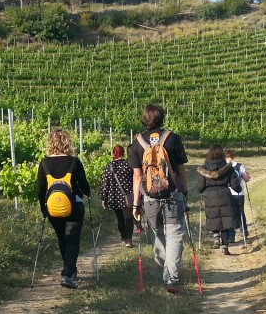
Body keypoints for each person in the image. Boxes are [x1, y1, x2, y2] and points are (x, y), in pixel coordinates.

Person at [128, 103, 189, 293]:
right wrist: (184, 191)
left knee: (157, 234)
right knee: (175, 235)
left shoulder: (136, 143)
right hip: (172, 195)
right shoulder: (173, 139)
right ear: (162, 118)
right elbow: (180, 170)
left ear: (143, 119)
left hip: (150, 198)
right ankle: (171, 277)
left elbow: (137, 176)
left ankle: (165, 269)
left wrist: (135, 205)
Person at [37, 127, 91, 289]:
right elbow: (84, 185)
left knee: (62, 238)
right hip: (73, 206)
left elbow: (40, 190)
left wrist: (44, 209)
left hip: (53, 207)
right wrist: (87, 193)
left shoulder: (44, 163)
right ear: (67, 142)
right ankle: (67, 274)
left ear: (50, 143)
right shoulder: (74, 162)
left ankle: (70, 268)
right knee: (72, 239)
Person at [196, 145, 243, 255]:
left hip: (211, 196)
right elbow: (235, 185)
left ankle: (216, 237)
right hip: (225, 195)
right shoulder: (228, 168)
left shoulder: (204, 169)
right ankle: (225, 247)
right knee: (225, 221)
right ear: (222, 154)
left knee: (214, 218)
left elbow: (200, 188)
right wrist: (239, 188)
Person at [99, 144, 134, 246]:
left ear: (113, 153)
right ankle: (129, 240)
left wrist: (103, 199)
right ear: (123, 153)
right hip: (128, 196)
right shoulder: (129, 165)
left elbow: (105, 185)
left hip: (114, 198)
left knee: (120, 219)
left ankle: (123, 238)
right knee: (129, 218)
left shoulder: (108, 167)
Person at [225, 150, 252, 238]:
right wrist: (248, 175)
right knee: (240, 212)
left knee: (230, 214)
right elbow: (247, 179)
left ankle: (231, 234)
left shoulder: (223, 167)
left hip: (228, 193)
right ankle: (243, 230)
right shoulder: (239, 166)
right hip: (239, 192)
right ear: (233, 156)